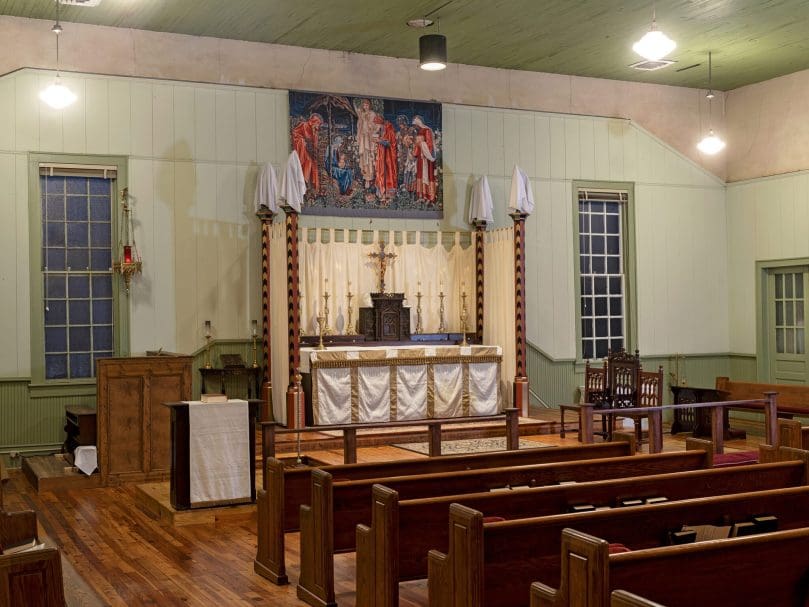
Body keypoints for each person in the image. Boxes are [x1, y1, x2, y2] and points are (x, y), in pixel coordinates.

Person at [292, 113, 323, 192]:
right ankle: (304, 182)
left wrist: (315, 151)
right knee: (308, 161)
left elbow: (314, 144)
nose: (318, 127)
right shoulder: (303, 125)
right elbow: (294, 134)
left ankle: (311, 185)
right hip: (302, 150)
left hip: (310, 152)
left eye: (319, 125)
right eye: (317, 124)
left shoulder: (315, 132)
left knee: (313, 164)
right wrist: (302, 141)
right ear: (313, 121)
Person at [412, 115, 437, 202]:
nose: (416, 126)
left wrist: (422, 144)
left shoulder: (427, 130)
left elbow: (429, 145)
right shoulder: (418, 132)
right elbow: (416, 145)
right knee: (420, 175)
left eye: (416, 124)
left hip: (426, 158)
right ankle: (421, 195)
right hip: (420, 158)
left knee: (427, 175)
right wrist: (416, 146)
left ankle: (429, 196)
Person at [373, 115, 398, 201]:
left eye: (376, 124)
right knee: (381, 173)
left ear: (380, 123)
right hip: (382, 157)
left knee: (388, 174)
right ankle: (382, 194)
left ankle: (389, 195)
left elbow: (390, 144)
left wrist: (379, 141)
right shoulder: (382, 130)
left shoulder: (389, 130)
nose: (376, 127)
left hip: (388, 158)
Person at [356, 98, 378, 190]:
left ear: (369, 106)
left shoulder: (372, 114)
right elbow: (359, 126)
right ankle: (365, 178)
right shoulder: (362, 114)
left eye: (367, 105)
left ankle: (370, 178)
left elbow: (374, 126)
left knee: (370, 157)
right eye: (364, 105)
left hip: (369, 139)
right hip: (363, 138)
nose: (365, 107)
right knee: (364, 158)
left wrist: (368, 122)